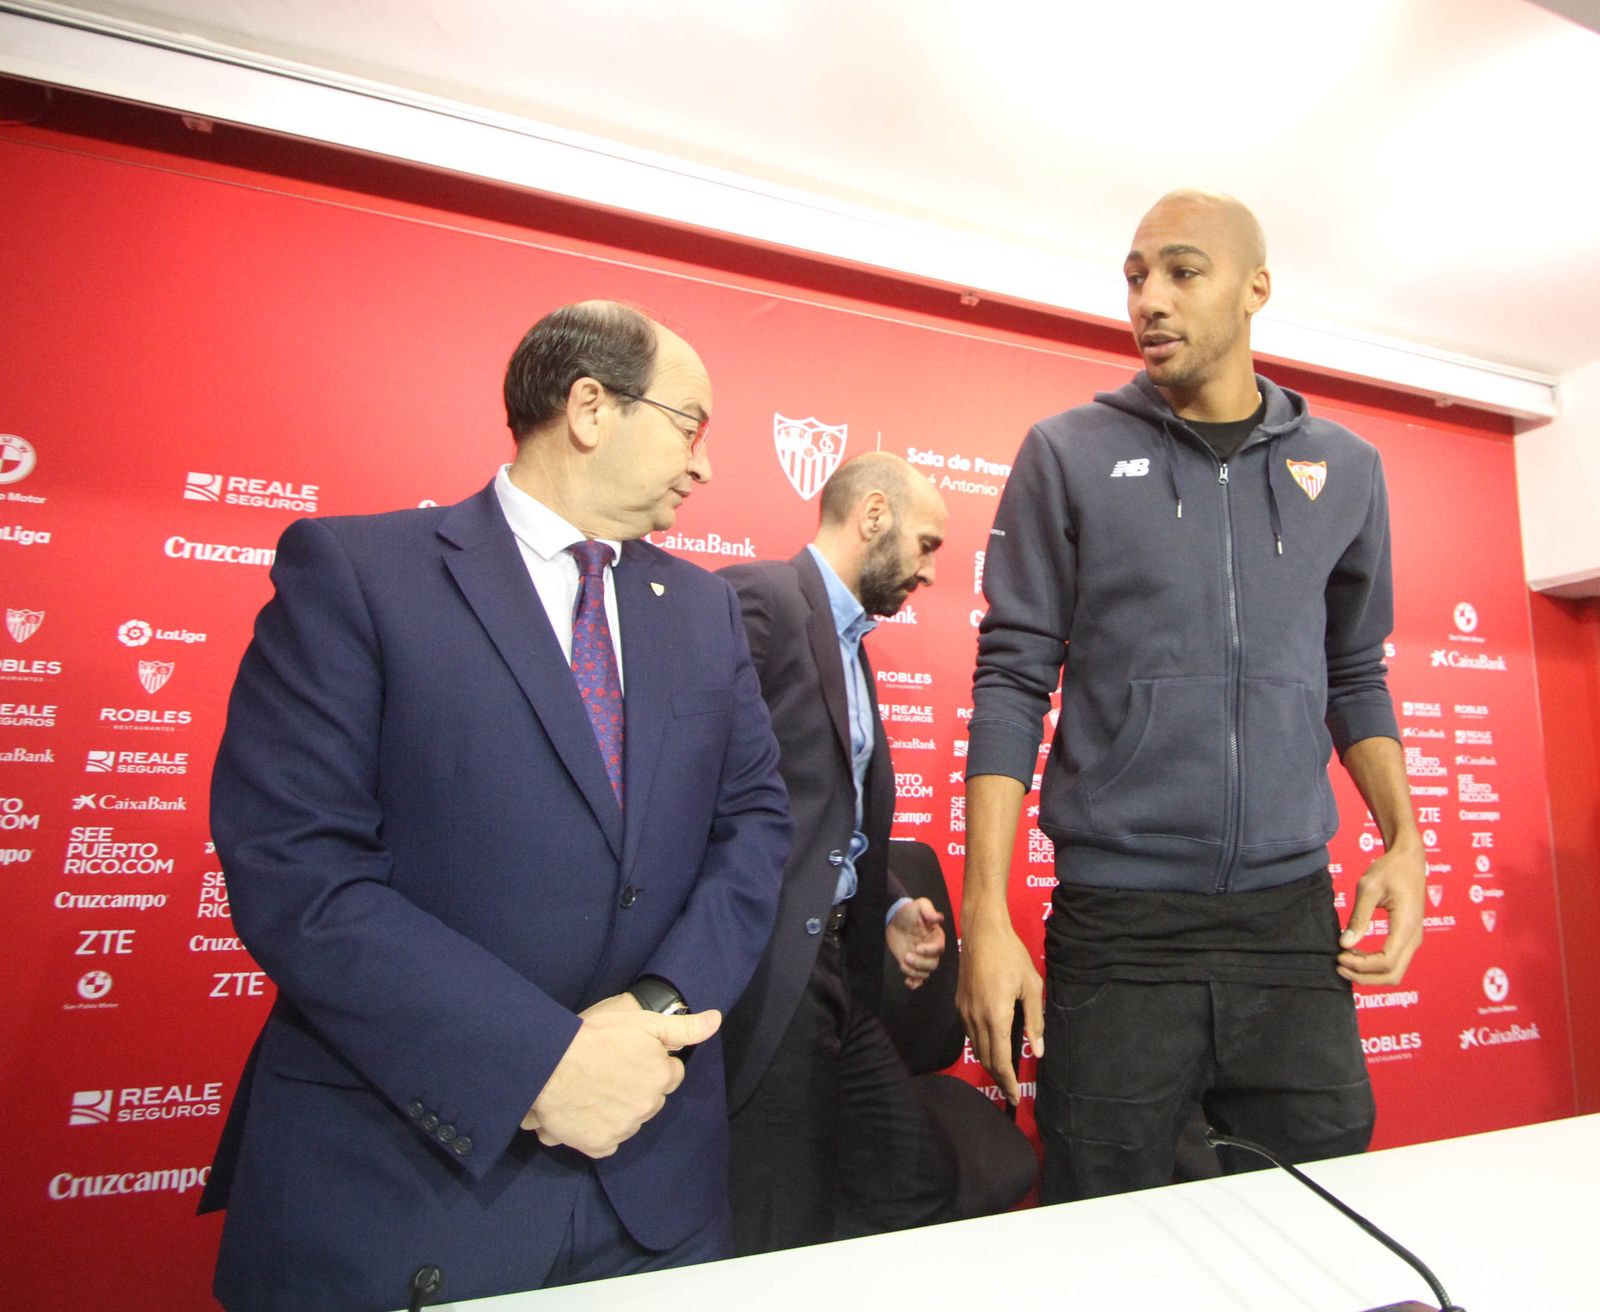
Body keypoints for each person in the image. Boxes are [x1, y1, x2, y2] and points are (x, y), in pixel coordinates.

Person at [198, 300, 792, 1310]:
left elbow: (755, 827)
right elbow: (301, 871)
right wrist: (537, 1064)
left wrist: (652, 1011)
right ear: (591, 407)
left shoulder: (704, 610)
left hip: (653, 1184)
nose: (703, 464)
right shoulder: (356, 574)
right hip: (410, 1175)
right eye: (690, 424)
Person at [957, 190, 1424, 1203]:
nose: (1148, 300)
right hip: (1121, 930)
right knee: (1102, 1219)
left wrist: (1403, 837)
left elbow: (1356, 673)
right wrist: (984, 915)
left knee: (1323, 1212)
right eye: (1133, 277)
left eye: (1180, 271)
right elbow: (1011, 676)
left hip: (1293, 923)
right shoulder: (1066, 452)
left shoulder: (1345, 468)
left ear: (1255, 288)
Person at [718, 452, 956, 1253]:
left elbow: (826, 816)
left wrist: (883, 901)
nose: (928, 572)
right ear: (875, 515)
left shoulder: (851, 645)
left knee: (913, 1177)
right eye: (926, 545)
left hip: (842, 972)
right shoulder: (764, 598)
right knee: (781, 1212)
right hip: (772, 969)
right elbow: (702, 789)